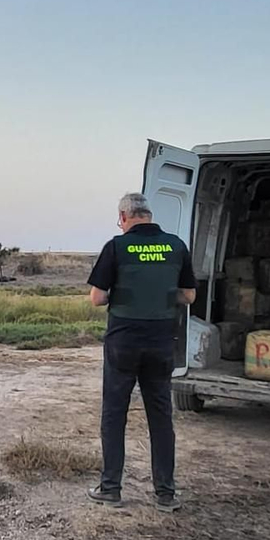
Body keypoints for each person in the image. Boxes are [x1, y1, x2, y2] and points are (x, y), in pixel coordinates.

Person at [86, 193, 196, 511]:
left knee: (114, 415)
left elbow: (97, 298)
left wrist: (125, 293)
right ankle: (165, 494)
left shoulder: (116, 247)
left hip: (123, 342)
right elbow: (189, 296)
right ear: (148, 215)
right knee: (161, 417)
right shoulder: (176, 246)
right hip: (161, 342)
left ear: (124, 217)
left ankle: (111, 489)